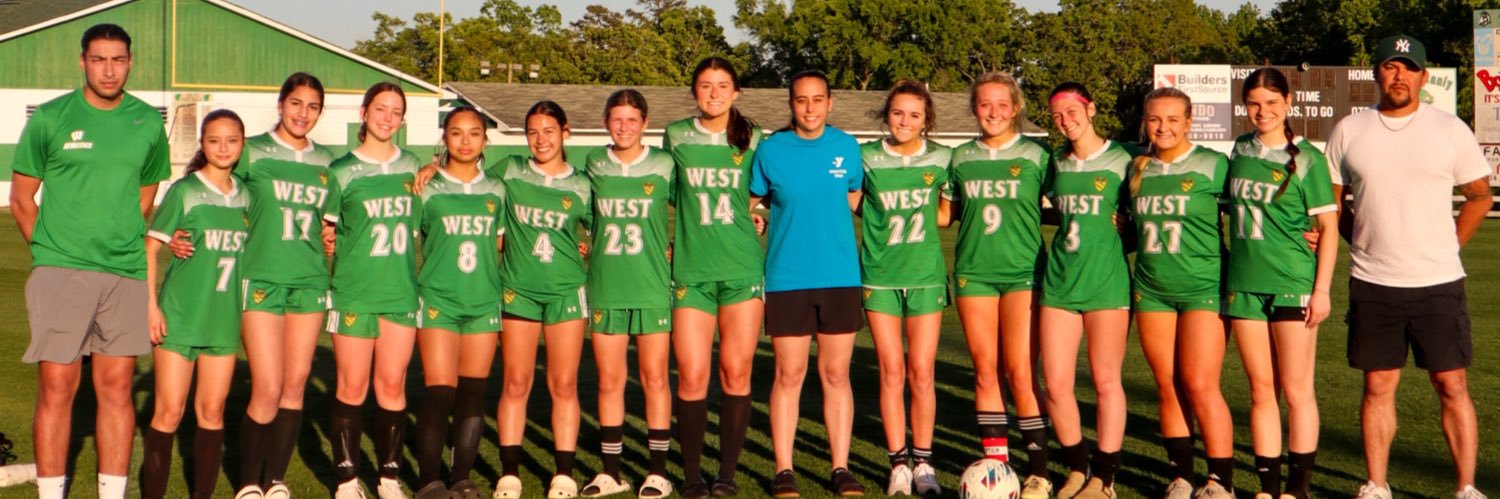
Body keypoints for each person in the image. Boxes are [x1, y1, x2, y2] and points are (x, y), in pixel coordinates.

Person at [9, 23, 170, 499]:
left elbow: (145, 197)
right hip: (60, 270)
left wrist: (115, 244)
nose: (108, 69)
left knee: (117, 388)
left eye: (118, 59)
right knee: (57, 387)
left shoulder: (147, 122)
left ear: (130, 62)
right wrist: (52, 254)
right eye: (98, 59)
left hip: (123, 274)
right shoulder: (51, 117)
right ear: (82, 61)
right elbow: (22, 199)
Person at [1326, 35, 1490, 499]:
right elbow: (1331, 201)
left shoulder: (1448, 129)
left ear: (1423, 75)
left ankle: (1466, 487)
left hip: (1437, 281)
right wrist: (1358, 238)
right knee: (1378, 386)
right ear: (1375, 72)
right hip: (1373, 281)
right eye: (1389, 67)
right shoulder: (1350, 129)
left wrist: (1450, 244)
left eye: (1409, 68)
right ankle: (1377, 484)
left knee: (1451, 384)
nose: (1398, 76)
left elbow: (1479, 195)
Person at [192, 72, 336, 499]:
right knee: (268, 385)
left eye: (312, 106)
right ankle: (249, 482)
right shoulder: (252, 150)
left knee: (295, 384)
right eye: (295, 103)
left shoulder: (329, 161)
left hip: (309, 279)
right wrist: (186, 231)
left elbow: (335, 218)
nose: (302, 113)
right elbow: (208, 185)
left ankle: (274, 480)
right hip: (261, 277)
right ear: (280, 104)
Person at [750, 70, 866, 498]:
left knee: (836, 373)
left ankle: (840, 467)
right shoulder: (771, 150)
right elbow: (749, 204)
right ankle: (784, 469)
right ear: (791, 105)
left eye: (818, 99)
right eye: (802, 100)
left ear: (830, 103)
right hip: (787, 278)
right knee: (789, 373)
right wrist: (757, 219)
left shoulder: (847, 148)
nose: (810, 108)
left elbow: (853, 200)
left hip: (839, 277)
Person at [1227, 67, 1338, 499]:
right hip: (1243, 285)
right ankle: (1267, 487)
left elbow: (1328, 228)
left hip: (1293, 282)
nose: (1262, 111)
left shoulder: (1308, 158)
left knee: (1296, 389)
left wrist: (1322, 290)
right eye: (1254, 103)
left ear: (1288, 103)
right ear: (1244, 105)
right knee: (1260, 390)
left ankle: (1298, 489)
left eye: (1271, 103)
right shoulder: (1238, 149)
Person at [944, 72, 1053, 497]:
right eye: (985, 104)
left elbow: (1071, 204)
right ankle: (999, 468)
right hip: (975, 272)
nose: (993, 112)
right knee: (985, 370)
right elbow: (942, 212)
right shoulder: (959, 158)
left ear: (1016, 108)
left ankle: (1039, 473)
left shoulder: (1038, 156)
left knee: (1021, 372)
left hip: (1024, 272)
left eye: (1002, 104)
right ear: (974, 108)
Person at [664, 57, 765, 498]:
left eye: (722, 85)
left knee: (736, 373)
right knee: (690, 374)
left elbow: (764, 193)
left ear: (736, 92)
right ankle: (690, 475)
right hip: (692, 269)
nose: (714, 93)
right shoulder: (675, 135)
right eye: (705, 85)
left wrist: (757, 212)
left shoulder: (755, 138)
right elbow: (661, 192)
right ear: (694, 91)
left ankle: (726, 473)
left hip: (742, 268)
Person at [1129, 87, 1235, 499]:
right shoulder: (1137, 168)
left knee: (1200, 383)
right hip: (1152, 287)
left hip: (1203, 287)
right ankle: (1181, 476)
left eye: (1173, 119)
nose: (1164, 127)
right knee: (1167, 384)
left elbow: (1251, 213)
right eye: (1155, 119)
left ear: (1189, 121)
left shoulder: (1213, 165)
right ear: (1145, 121)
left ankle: (1220, 481)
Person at [141, 109, 250, 499]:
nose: (223, 148)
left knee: (212, 414)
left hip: (223, 320)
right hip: (180, 316)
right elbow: (150, 248)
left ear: (242, 144)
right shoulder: (185, 190)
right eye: (214, 140)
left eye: (232, 140)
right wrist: (151, 308)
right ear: (202, 144)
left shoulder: (247, 196)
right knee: (169, 413)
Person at [323, 82, 422, 499]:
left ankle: (388, 477)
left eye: (395, 111)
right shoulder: (341, 170)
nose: (386, 117)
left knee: (392, 386)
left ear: (402, 120)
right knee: (350, 386)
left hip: (399, 290)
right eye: (379, 109)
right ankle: (347, 479)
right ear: (363, 113)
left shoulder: (414, 166)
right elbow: (326, 229)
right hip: (353, 291)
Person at [1037, 82, 1135, 499]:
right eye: (1057, 115)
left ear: (1091, 109)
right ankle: (1077, 467)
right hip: (1060, 281)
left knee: (1105, 380)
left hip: (1106, 283)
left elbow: (1141, 221)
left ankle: (1105, 478)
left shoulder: (1124, 160)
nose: (1065, 121)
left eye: (1072, 111)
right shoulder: (1054, 162)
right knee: (1056, 382)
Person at [491, 101, 592, 499]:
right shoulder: (511, 170)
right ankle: (510, 474)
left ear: (565, 133)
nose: (541, 139)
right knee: (516, 381)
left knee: (563, 384)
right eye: (533, 131)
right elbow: (466, 175)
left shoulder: (583, 184)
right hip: (518, 288)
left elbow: (605, 228)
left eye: (549, 130)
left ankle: (563, 474)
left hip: (566, 289)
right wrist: (432, 165)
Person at [580, 90, 675, 498]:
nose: (624, 127)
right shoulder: (593, 164)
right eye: (617, 119)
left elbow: (693, 209)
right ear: (606, 122)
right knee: (610, 380)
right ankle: (611, 472)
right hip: (606, 283)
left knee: (655, 378)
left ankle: (657, 472)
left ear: (645, 123)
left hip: (652, 284)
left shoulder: (665, 164)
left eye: (632, 120)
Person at [860, 80, 950, 496]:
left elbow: (946, 215)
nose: (905, 121)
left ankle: (924, 461)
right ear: (886, 114)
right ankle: (898, 462)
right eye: (898, 112)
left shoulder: (942, 158)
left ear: (926, 119)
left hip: (925, 275)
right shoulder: (867, 158)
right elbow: (851, 205)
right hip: (879, 275)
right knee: (892, 370)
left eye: (915, 114)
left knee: (922, 373)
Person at [411, 107, 504, 499]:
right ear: (444, 138)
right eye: (456, 133)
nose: (465, 141)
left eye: (474, 133)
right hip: (438, 299)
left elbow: (498, 243)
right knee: (439, 391)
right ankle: (429, 481)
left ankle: (462, 477)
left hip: (483, 300)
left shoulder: (497, 189)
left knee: (472, 392)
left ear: (485, 140)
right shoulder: (425, 187)